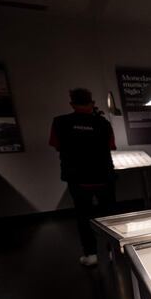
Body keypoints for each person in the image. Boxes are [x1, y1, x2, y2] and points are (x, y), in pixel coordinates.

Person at [49, 88, 116, 266]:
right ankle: (112, 252)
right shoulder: (103, 123)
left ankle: (91, 254)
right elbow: (111, 146)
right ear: (92, 103)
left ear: (72, 103)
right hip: (103, 176)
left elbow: (56, 145)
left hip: (77, 178)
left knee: (83, 217)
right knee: (110, 216)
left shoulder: (59, 122)